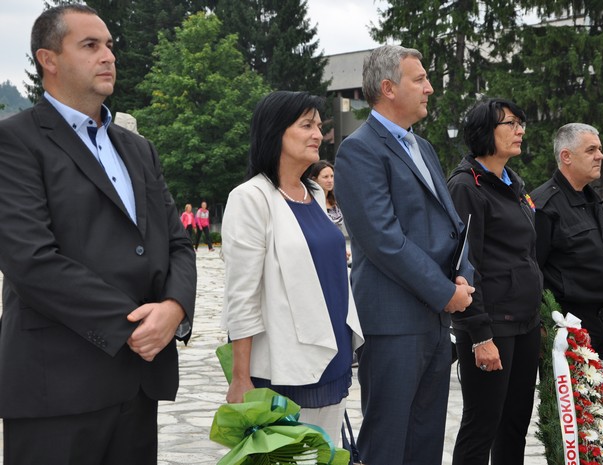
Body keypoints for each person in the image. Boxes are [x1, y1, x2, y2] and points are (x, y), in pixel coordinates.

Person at [0, 5, 197, 465]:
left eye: (109, 45)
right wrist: (131, 323)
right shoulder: (15, 141)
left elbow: (176, 243)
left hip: (138, 381)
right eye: (90, 46)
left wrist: (174, 308)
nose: (107, 56)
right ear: (48, 59)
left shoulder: (138, 148)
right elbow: (31, 259)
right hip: (57, 388)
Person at [334, 44, 475, 465]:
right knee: (388, 441)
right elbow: (383, 239)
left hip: (433, 318)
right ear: (388, 88)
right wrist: (444, 291)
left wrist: (463, 276)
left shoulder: (423, 147)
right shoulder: (359, 150)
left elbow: (451, 223)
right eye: (420, 79)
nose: (430, 88)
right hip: (393, 323)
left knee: (426, 439)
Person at [220, 90, 363, 444]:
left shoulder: (313, 192)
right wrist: (241, 376)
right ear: (275, 133)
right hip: (287, 367)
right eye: (306, 125)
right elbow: (242, 295)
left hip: (334, 355)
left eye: (318, 125)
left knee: (326, 453)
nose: (318, 134)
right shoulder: (251, 198)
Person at [446, 98, 542, 465]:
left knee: (515, 423)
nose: (520, 131)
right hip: (491, 327)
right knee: (482, 424)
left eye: (521, 123)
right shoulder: (466, 186)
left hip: (525, 323)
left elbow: (526, 255)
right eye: (511, 124)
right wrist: (479, 335)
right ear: (486, 131)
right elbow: (464, 266)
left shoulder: (513, 183)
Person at [530, 123, 603, 420]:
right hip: (567, 328)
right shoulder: (544, 205)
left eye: (599, 148)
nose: (600, 155)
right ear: (566, 156)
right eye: (591, 150)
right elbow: (532, 267)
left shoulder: (592, 199)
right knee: (579, 421)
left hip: (600, 321)